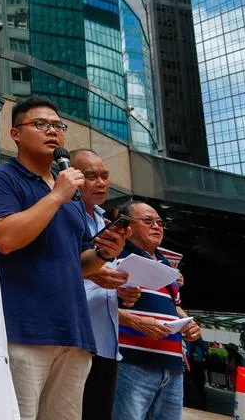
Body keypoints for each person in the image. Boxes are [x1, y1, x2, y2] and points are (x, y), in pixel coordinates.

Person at [0, 96, 127, 420]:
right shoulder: (1, 180)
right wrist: (57, 195)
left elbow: (78, 263)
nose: (52, 131)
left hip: (74, 333)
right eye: (40, 124)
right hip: (23, 330)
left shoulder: (69, 195)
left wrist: (103, 252)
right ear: (15, 134)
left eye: (58, 126)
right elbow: (6, 240)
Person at [114, 201, 203, 420]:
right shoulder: (114, 256)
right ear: (127, 227)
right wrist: (137, 322)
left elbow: (175, 306)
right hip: (132, 363)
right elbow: (96, 301)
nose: (157, 226)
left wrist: (188, 323)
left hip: (172, 366)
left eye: (160, 222)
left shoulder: (167, 266)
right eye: (148, 221)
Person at [73, 149, 140, 420]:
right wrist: (89, 273)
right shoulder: (65, 213)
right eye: (91, 176)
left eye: (104, 176)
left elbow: (104, 275)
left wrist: (121, 289)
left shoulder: (105, 222)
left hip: (108, 344)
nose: (101, 183)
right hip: (75, 340)